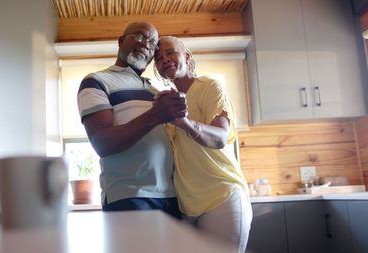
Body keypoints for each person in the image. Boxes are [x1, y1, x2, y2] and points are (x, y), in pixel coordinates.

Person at [76, 22, 187, 219]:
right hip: (129, 197)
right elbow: (102, 143)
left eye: (152, 43)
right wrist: (155, 115)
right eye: (139, 36)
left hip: (172, 197)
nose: (146, 43)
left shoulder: (155, 91)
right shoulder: (97, 81)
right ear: (120, 41)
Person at [153, 36, 252, 252]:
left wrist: (184, 122)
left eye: (170, 52)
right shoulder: (166, 102)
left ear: (187, 57)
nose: (164, 59)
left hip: (221, 197)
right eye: (158, 57)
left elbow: (219, 137)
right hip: (186, 206)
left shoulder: (209, 86)